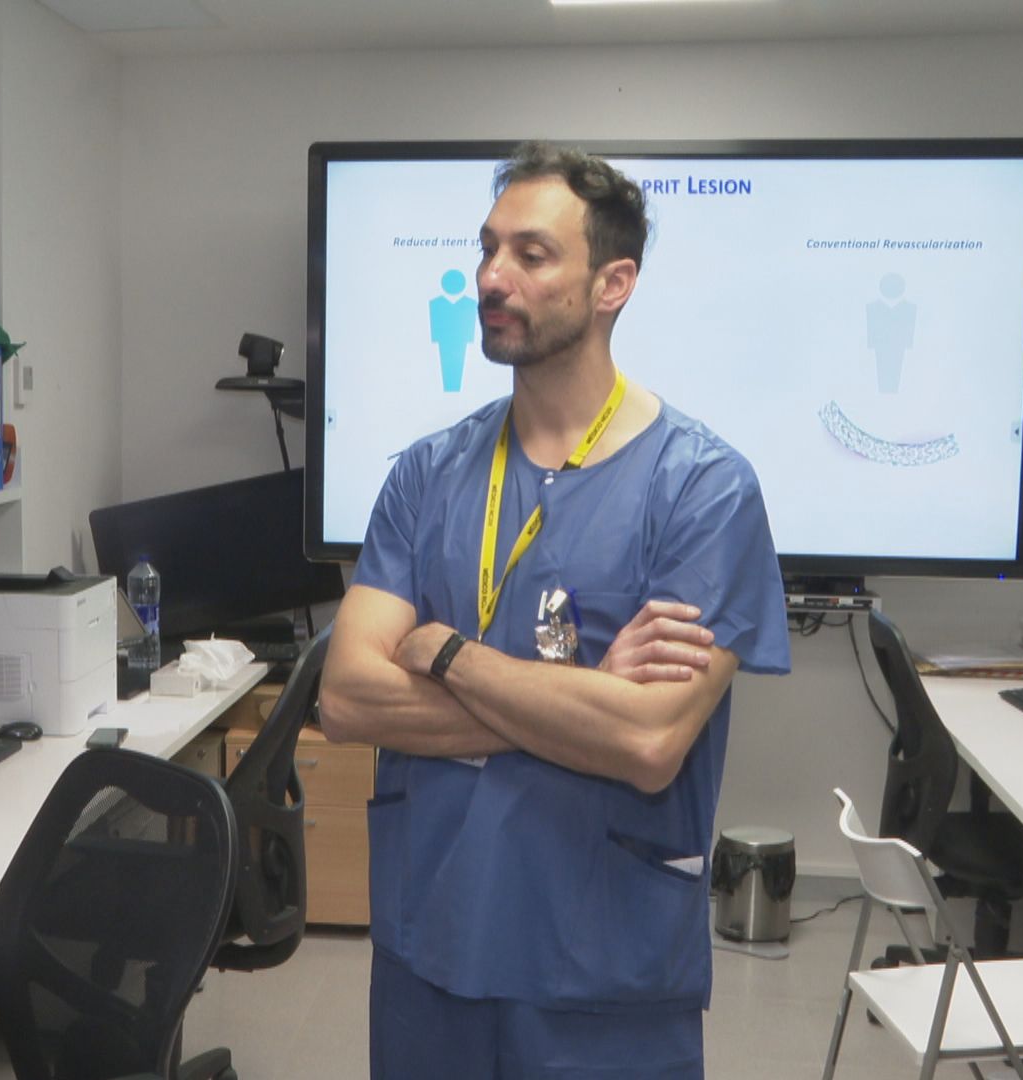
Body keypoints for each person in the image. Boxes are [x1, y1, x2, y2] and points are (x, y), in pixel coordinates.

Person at [321, 141, 792, 1080]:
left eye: (531, 255)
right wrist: (579, 702)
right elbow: (346, 699)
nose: (492, 278)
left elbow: (649, 742)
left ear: (613, 284)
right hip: (431, 948)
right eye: (488, 249)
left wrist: (447, 652)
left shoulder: (703, 490)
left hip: (602, 966)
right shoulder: (426, 474)